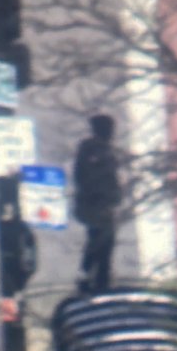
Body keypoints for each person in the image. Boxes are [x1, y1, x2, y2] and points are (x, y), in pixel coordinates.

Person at [73, 114, 122, 293]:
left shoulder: (102, 150)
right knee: (98, 241)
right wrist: (102, 198)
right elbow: (90, 180)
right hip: (94, 206)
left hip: (102, 206)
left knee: (103, 242)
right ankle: (90, 278)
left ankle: (100, 278)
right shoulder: (92, 151)